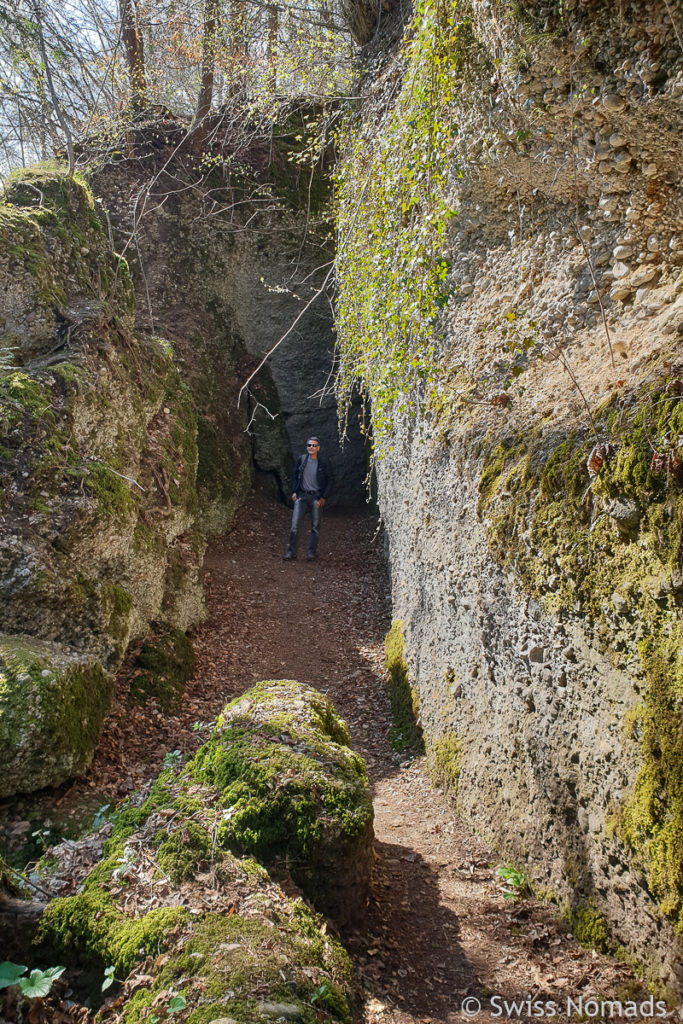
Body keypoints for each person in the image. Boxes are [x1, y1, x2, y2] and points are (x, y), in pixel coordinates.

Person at [283, 437, 334, 562]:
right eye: (309, 445)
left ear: (318, 448)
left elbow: (330, 480)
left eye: (314, 445)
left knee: (315, 527)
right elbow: (295, 476)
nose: (311, 447)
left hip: (316, 497)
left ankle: (311, 553)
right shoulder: (301, 460)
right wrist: (294, 491)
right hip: (302, 496)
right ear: (307, 447)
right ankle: (291, 551)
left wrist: (323, 497)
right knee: (294, 525)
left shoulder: (323, 462)